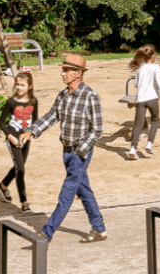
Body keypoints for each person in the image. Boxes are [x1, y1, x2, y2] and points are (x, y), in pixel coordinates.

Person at [18, 54, 107, 243]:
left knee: (67, 192)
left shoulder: (90, 96)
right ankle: (99, 229)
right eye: (64, 70)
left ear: (78, 74)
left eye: (67, 70)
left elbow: (97, 129)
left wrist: (80, 150)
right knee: (83, 190)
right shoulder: (62, 95)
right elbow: (51, 117)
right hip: (66, 151)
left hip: (79, 153)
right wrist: (31, 132)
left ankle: (47, 232)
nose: (63, 74)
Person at [0, 70, 37, 212]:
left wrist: (29, 135)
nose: (19, 88)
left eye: (22, 85)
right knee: (20, 169)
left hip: (25, 138)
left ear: (30, 86)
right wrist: (10, 136)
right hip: (13, 137)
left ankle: (3, 185)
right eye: (17, 84)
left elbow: (36, 122)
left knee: (18, 167)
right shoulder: (11, 102)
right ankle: (24, 202)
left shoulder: (34, 102)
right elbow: (1, 122)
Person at [126, 45, 160, 160]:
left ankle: (133, 149)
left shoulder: (140, 69)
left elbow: (136, 85)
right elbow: (158, 81)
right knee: (155, 120)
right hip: (152, 98)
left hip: (140, 99)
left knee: (138, 124)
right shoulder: (156, 67)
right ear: (152, 56)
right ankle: (149, 144)